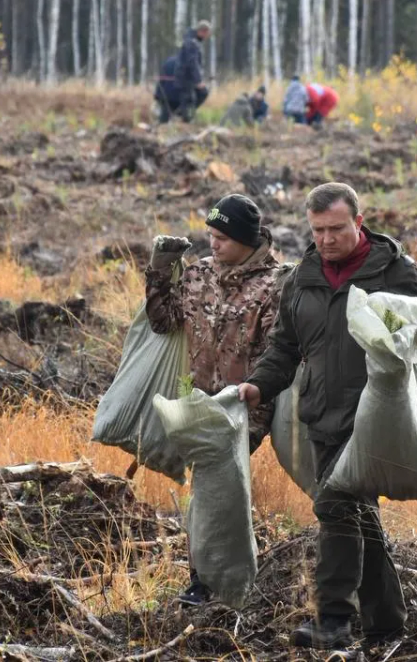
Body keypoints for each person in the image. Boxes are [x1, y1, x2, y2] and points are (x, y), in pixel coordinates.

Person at [238, 182, 417, 650]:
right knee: (358, 515)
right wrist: (259, 386)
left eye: (336, 229)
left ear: (359, 222)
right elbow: (284, 346)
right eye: (317, 230)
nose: (326, 239)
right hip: (323, 414)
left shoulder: (394, 270)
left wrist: (406, 333)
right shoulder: (302, 276)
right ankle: (386, 624)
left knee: (335, 504)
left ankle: (333, 618)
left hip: (374, 415)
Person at [144, 193, 286, 607]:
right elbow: (163, 321)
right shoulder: (198, 274)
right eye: (209, 235)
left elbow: (276, 349)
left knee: (214, 484)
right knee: (208, 486)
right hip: (195, 398)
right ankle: (212, 579)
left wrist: (256, 398)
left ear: (246, 239)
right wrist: (161, 268)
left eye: (222, 237)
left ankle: (210, 583)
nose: (213, 244)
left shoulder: (275, 284)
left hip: (244, 405)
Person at [153, 52, 210, 124]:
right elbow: (196, 82)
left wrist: (158, 97)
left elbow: (160, 83)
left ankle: (164, 120)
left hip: (164, 97)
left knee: (164, 118)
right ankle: (185, 114)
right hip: (181, 98)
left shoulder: (168, 61)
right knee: (203, 92)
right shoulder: (190, 63)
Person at [175, 20, 212, 122]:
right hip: (185, 78)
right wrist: (198, 81)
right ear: (202, 31)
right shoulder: (192, 43)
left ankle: (184, 115)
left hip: (189, 77)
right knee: (189, 99)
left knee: (202, 93)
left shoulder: (193, 41)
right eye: (207, 33)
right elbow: (192, 63)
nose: (207, 36)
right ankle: (185, 120)